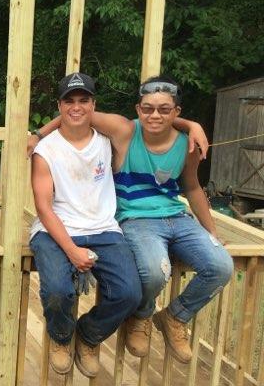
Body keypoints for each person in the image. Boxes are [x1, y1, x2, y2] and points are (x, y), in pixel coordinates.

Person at [69, 76, 232, 362]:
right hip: (135, 218)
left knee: (221, 266)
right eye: (148, 108)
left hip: (177, 216)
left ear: (176, 112)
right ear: (138, 109)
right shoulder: (126, 132)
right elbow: (77, 113)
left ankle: (175, 317)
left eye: (164, 109)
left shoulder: (186, 144)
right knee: (156, 271)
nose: (155, 115)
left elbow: (193, 187)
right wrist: (38, 135)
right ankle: (142, 315)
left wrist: (212, 233)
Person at [29, 72, 142, 377]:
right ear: (59, 105)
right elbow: (43, 207)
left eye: (83, 100)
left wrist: (57, 123)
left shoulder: (108, 140)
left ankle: (89, 335)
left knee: (130, 293)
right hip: (55, 229)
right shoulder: (45, 150)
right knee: (57, 292)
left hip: (103, 227)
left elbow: (126, 124)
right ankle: (62, 336)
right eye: (69, 101)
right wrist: (72, 250)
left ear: (94, 104)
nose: (76, 107)